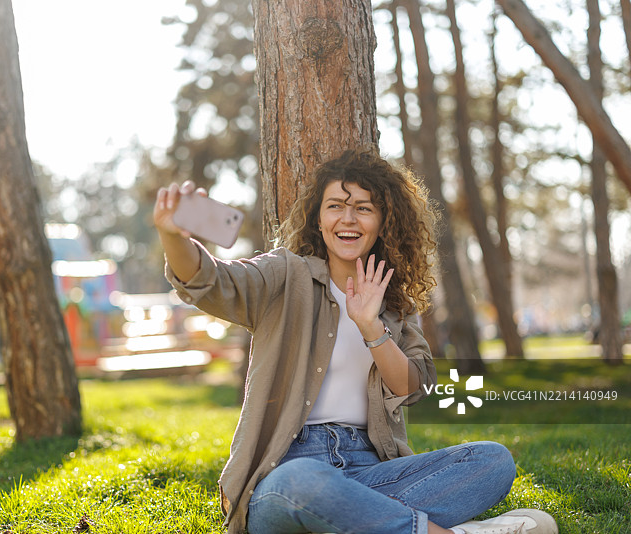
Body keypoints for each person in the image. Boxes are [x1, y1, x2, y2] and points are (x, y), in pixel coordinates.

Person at [154, 146, 557, 534]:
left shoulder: (396, 302)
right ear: (318, 218)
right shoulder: (285, 274)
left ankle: (352, 522)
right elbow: (211, 283)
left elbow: (413, 388)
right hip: (283, 476)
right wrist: (174, 238)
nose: (348, 219)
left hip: (371, 468)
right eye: (335, 206)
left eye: (363, 208)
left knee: (491, 460)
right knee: (304, 482)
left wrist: (371, 326)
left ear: (384, 221)